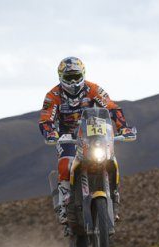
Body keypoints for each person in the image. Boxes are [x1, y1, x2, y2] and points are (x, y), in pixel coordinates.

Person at [39, 56, 135, 232]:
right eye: (69, 78)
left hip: (94, 133)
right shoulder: (53, 96)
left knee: (110, 159)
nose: (73, 82)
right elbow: (46, 118)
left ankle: (114, 196)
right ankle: (64, 203)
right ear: (61, 77)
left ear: (83, 74)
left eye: (76, 76)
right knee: (65, 164)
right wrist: (50, 132)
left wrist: (124, 127)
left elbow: (112, 107)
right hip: (68, 136)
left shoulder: (93, 89)